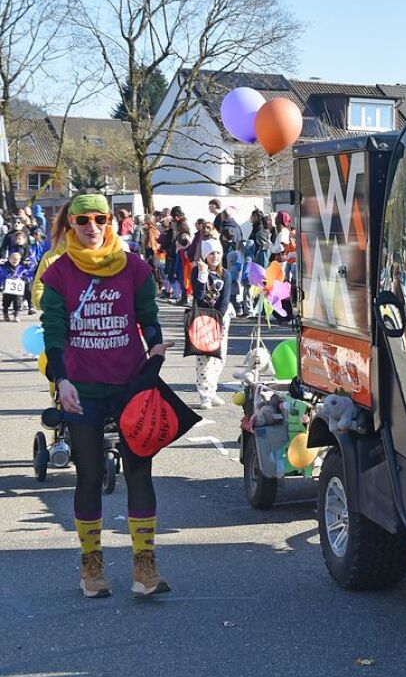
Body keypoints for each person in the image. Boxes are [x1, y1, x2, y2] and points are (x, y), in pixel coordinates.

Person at [39, 194, 172, 598]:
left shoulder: (133, 267)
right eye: (83, 220)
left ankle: (144, 565)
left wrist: (157, 348)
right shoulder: (59, 273)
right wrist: (61, 381)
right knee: (90, 475)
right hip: (83, 389)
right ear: (70, 224)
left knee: (138, 472)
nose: (92, 227)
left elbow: (149, 318)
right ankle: (91, 566)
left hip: (129, 385)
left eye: (100, 218)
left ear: (111, 221)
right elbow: (54, 333)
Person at [191, 239, 232, 409]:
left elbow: (225, 298)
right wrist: (202, 275)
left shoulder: (226, 274)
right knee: (204, 359)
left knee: (219, 357)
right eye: (211, 253)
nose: (215, 257)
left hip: (221, 319)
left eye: (218, 253)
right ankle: (204, 395)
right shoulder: (197, 272)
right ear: (205, 256)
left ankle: (212, 391)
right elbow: (199, 297)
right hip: (203, 319)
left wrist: (219, 318)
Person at [31, 202, 71, 310]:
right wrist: (54, 306)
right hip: (63, 323)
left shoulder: (112, 257)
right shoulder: (52, 258)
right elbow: (38, 292)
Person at [0, 250, 32, 321]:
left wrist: (24, 279)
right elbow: (1, 276)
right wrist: (2, 283)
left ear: (19, 260)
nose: (15, 261)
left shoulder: (22, 268)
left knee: (17, 300)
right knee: (6, 301)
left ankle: (16, 314)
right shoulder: (4, 267)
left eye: (17, 260)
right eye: (13, 259)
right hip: (7, 288)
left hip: (17, 289)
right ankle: (5, 312)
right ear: (9, 259)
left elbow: (28, 275)